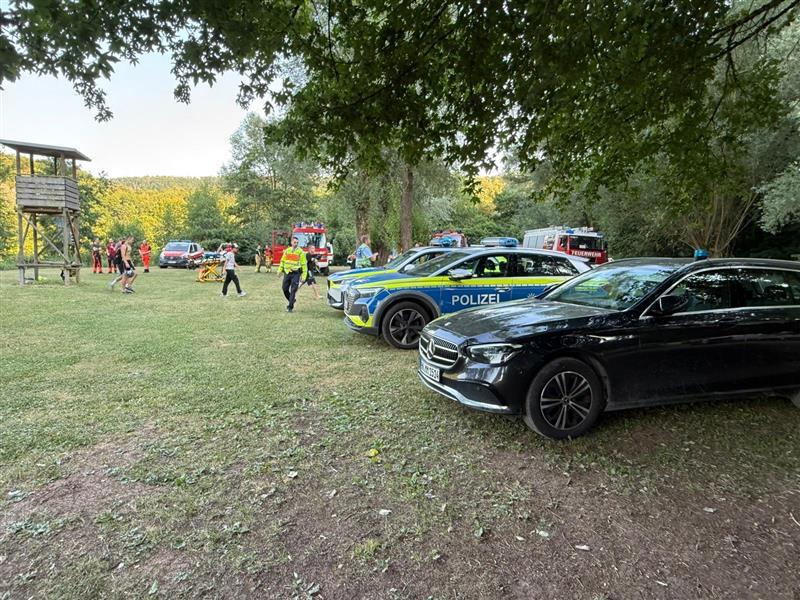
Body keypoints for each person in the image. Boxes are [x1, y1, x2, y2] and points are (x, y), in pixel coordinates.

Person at [278, 236, 307, 312]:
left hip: (296, 274)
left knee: (293, 290)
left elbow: (304, 265)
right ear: (291, 242)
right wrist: (280, 270)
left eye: (297, 242)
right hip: (287, 273)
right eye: (294, 242)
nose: (296, 244)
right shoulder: (287, 251)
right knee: (284, 289)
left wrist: (304, 276)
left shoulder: (301, 252)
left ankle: (290, 307)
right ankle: (292, 300)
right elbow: (283, 261)